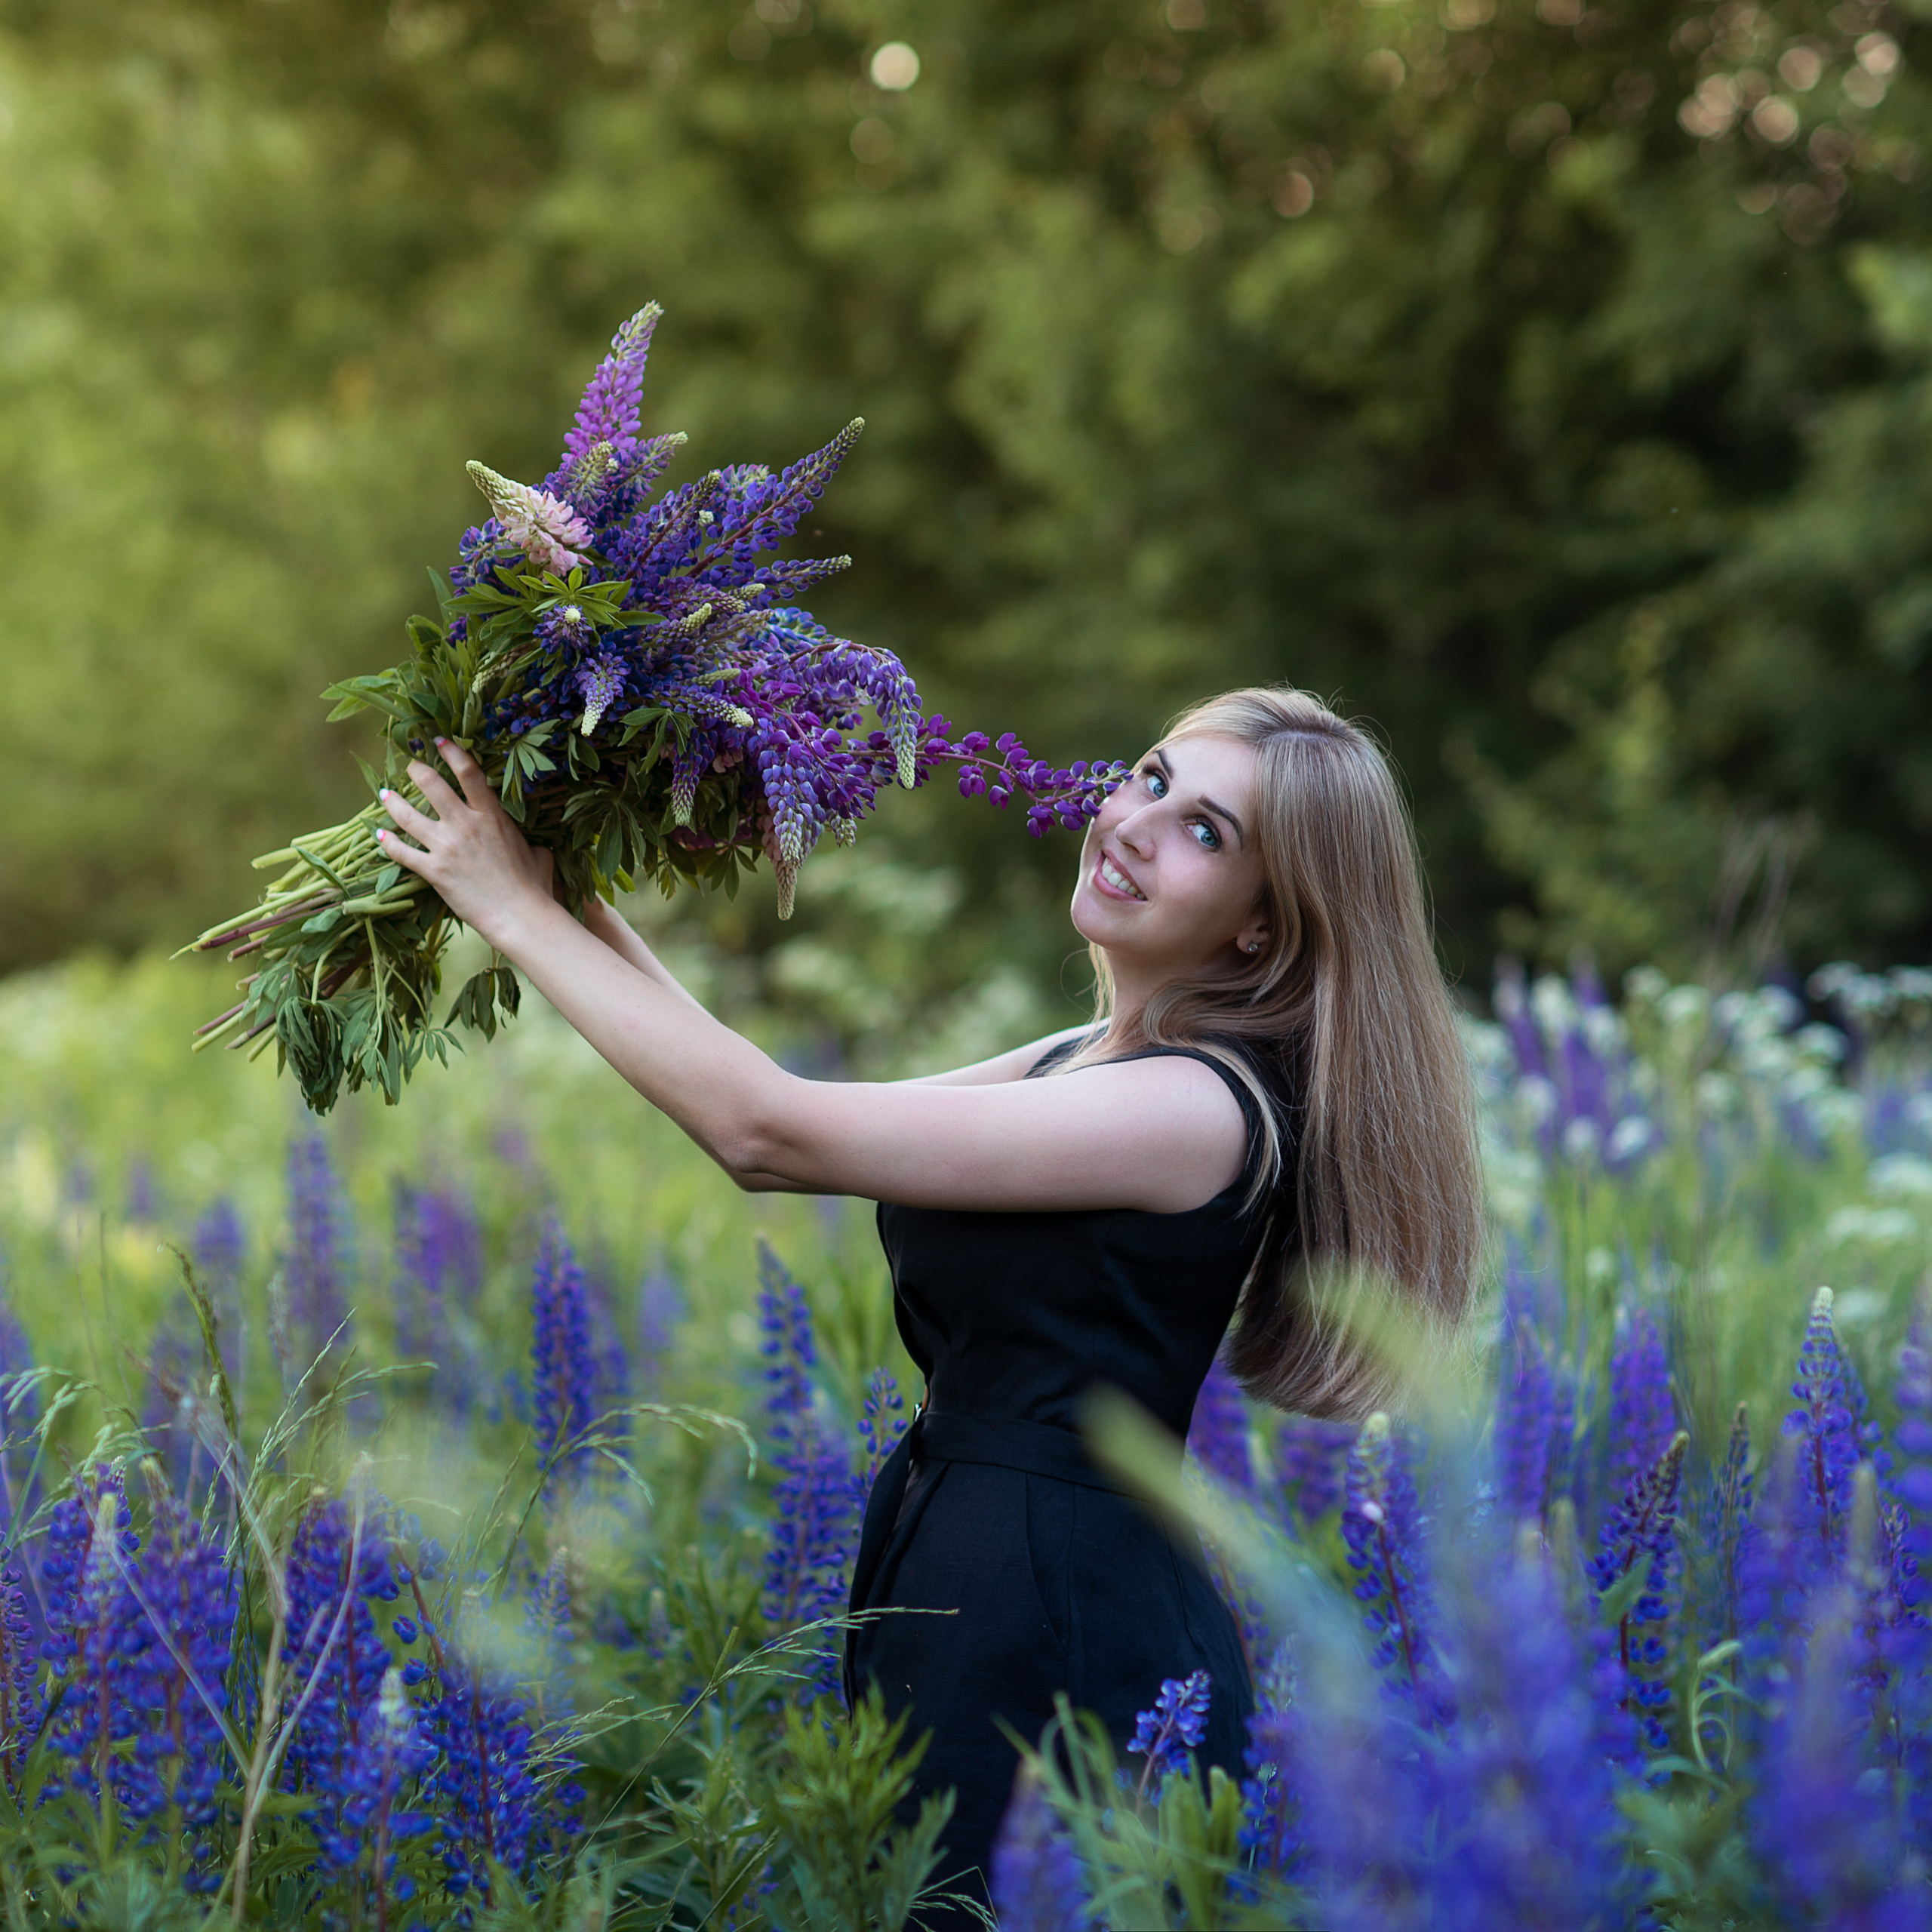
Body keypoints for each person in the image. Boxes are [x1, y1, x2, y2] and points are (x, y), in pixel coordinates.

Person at [374, 683, 1484, 1918]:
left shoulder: (1199, 1112)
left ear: (1263, 933)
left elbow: (766, 1134)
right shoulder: (1084, 1063)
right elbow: (788, 1099)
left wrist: (509, 908)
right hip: (963, 1563)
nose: (1133, 821)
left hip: (1062, 1613)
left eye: (1207, 832)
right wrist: (558, 884)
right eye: (1153, 778)